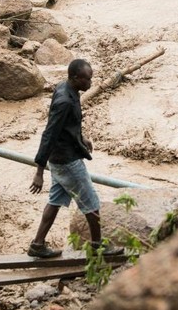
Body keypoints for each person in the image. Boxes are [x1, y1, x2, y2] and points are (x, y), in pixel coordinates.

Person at [28, 59, 124, 258]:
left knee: (54, 201)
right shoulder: (64, 101)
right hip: (67, 161)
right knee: (92, 202)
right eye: (87, 79)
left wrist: (81, 137)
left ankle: (37, 245)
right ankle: (98, 246)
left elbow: (67, 125)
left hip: (60, 158)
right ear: (75, 78)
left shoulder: (68, 88)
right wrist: (39, 171)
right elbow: (49, 133)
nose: (90, 83)